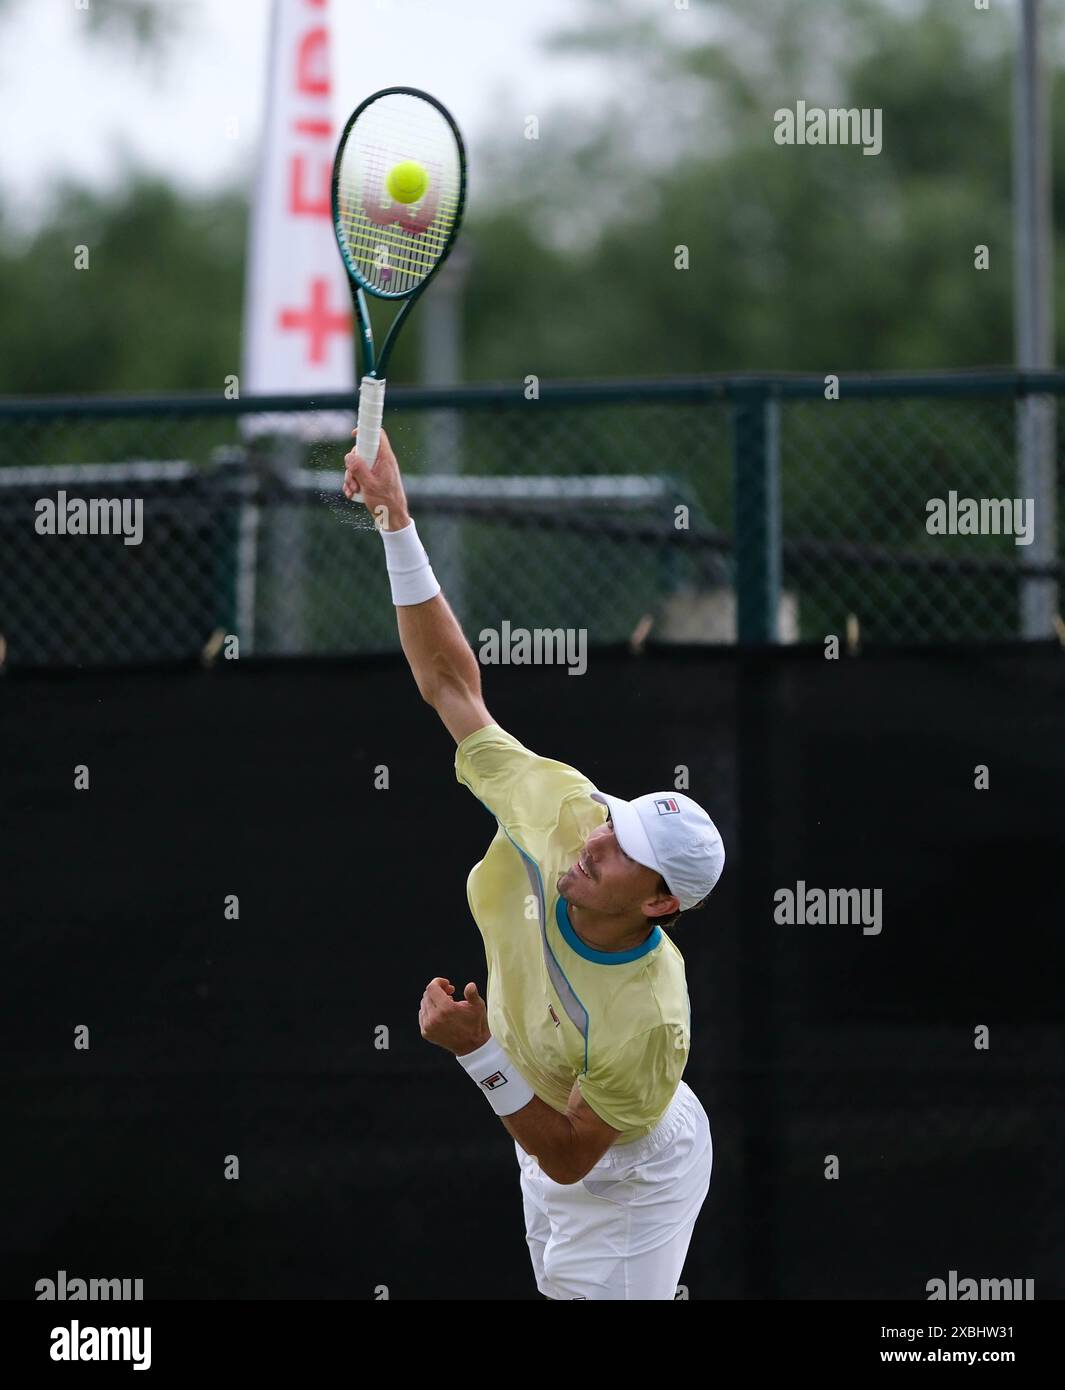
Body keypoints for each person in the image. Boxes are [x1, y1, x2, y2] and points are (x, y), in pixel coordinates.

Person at [343, 428, 725, 1301]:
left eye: (626, 852)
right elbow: (452, 687)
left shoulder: (649, 1017)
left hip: (623, 1168)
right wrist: (396, 519)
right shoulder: (566, 814)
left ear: (660, 904)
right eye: (613, 823)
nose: (597, 841)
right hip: (546, 1117)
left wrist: (478, 1053)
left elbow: (566, 1157)